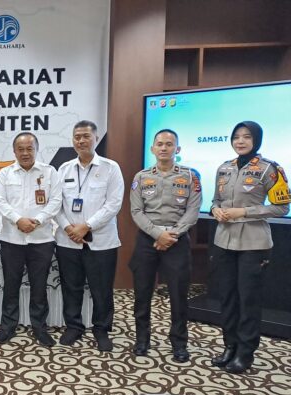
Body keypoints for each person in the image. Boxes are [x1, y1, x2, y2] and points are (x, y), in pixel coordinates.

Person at [210, 121, 289, 374]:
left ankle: (245, 352)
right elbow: (215, 200)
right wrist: (215, 210)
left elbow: (282, 207)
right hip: (224, 240)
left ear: (256, 140)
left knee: (248, 299)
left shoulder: (270, 169)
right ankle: (229, 346)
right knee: (227, 297)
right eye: (236, 137)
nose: (240, 141)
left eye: (246, 137)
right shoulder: (224, 168)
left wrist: (244, 212)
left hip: (253, 244)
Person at [129, 129, 202, 362]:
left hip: (177, 241)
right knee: (142, 293)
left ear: (177, 149)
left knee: (179, 295)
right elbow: (136, 211)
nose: (163, 148)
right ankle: (142, 340)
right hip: (147, 240)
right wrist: (157, 234)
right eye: (159, 144)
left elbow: (193, 210)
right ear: (152, 148)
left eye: (169, 144)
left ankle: (179, 343)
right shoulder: (141, 177)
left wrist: (172, 235)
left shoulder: (190, 176)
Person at [55, 120, 124, 352]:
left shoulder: (110, 168)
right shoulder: (64, 169)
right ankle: (73, 326)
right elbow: (56, 205)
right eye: (77, 137)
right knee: (71, 286)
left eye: (86, 136)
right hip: (68, 240)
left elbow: (113, 204)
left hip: (101, 241)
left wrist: (86, 226)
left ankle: (101, 329)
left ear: (95, 138)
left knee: (101, 289)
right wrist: (68, 228)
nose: (81, 141)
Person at [0, 132, 63, 346]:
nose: (25, 153)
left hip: (41, 239)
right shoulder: (5, 173)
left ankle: (40, 328)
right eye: (21, 149)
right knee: (11, 285)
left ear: (36, 149)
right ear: (14, 151)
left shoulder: (49, 172)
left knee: (39, 286)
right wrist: (18, 220)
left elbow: (56, 201)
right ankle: (8, 326)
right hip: (11, 239)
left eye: (29, 148)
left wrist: (38, 220)